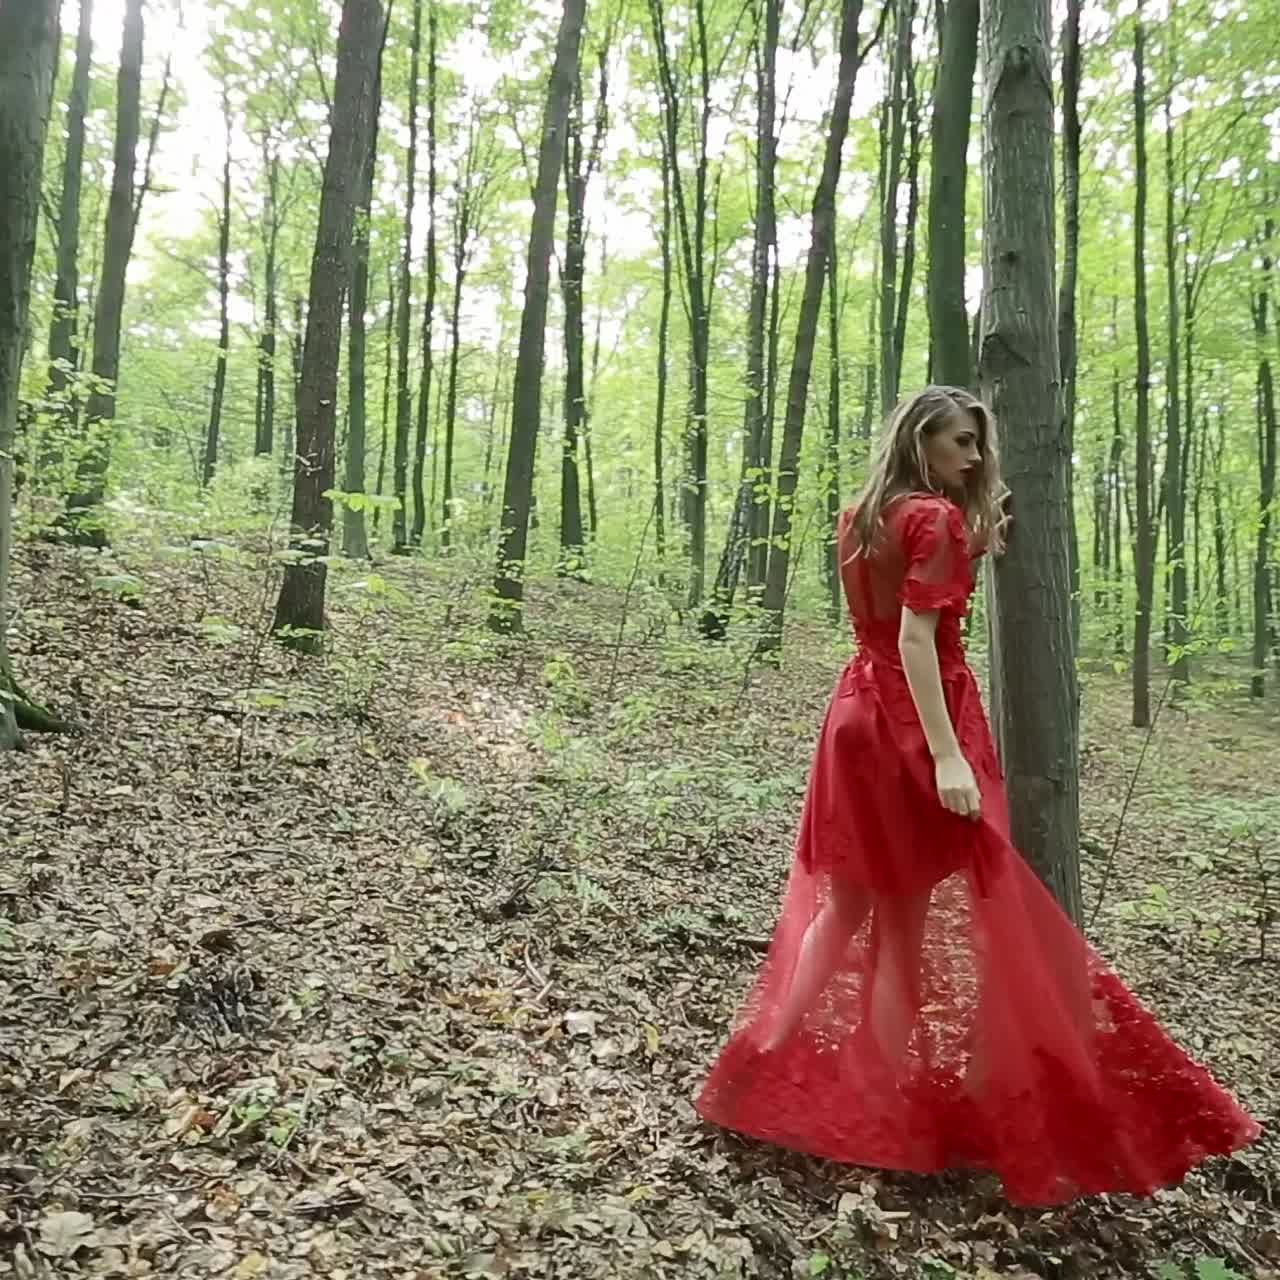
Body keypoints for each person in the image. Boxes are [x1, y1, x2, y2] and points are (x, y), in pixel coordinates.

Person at [694, 386, 1259, 1206]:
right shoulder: (935, 520)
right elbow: (919, 639)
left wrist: (980, 523)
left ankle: (753, 1064)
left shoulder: (862, 513)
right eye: (960, 443)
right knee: (904, 926)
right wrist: (950, 756)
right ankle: (881, 1106)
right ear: (921, 440)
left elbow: (892, 607)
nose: (972, 458)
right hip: (909, 727)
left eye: (976, 447)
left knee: (846, 908)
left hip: (852, 713)